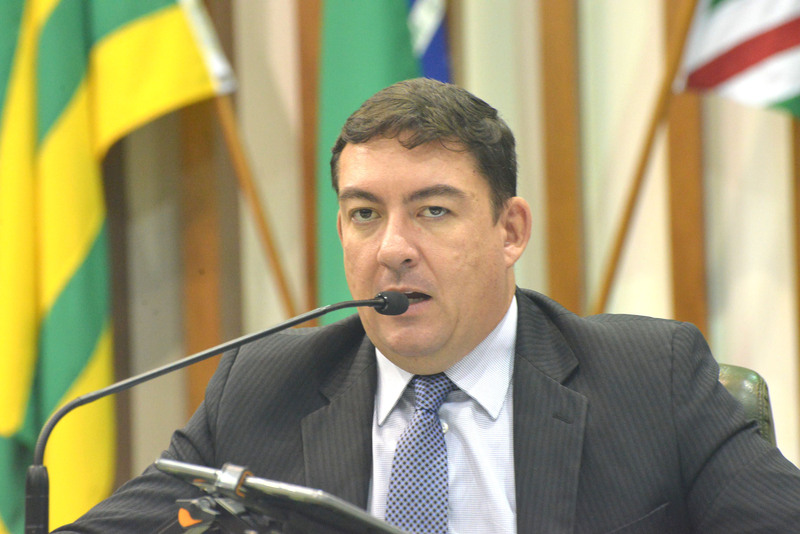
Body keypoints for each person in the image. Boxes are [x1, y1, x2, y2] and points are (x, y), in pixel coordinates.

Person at [56, 78, 800, 533]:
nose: (392, 249)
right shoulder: (263, 387)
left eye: (433, 211)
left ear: (510, 231)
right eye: (364, 214)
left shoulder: (650, 379)